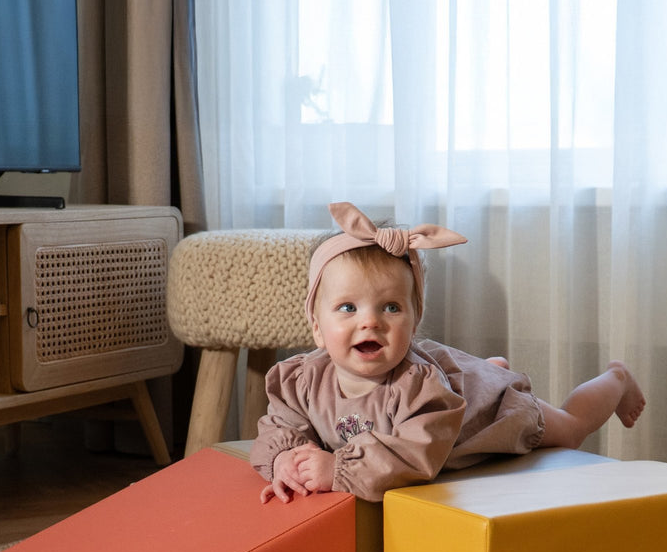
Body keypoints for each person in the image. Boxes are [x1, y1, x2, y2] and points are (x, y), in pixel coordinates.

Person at [252, 202, 645, 503]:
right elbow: (280, 424)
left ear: (415, 319)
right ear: (317, 328)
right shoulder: (302, 379)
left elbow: (414, 455)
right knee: (462, 381)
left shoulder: (418, 387)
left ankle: (615, 379)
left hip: (482, 416)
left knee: (570, 429)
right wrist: (283, 458)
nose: (370, 323)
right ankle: (484, 371)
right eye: (348, 308)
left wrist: (337, 468)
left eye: (391, 308)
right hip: (451, 394)